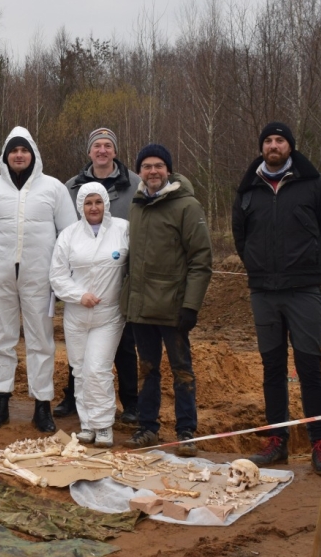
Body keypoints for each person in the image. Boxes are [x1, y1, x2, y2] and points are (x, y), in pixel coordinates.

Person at [232, 122, 321, 475]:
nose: (273, 145)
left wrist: (310, 269)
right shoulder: (248, 190)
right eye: (268, 140)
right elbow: (241, 237)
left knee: (310, 368)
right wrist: (257, 267)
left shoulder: (316, 186)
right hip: (264, 292)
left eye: (280, 140)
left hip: (304, 291)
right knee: (272, 368)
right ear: (261, 147)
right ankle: (277, 441)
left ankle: (319, 442)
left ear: (290, 147)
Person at [0, 127, 77, 432]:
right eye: (13, 150)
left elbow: (68, 235)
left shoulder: (53, 188)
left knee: (41, 340)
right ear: (5, 156)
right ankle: (1, 400)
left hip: (39, 278)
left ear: (33, 154)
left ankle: (42, 405)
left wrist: (62, 279)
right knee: (0, 339)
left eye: (24, 150)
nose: (19, 155)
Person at [121, 145, 212, 457]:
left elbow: (201, 259)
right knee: (146, 368)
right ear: (140, 172)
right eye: (146, 166)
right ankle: (147, 428)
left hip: (174, 308)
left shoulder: (187, 206)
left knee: (181, 369)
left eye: (158, 165)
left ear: (168, 170)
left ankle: (186, 431)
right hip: (141, 307)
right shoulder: (137, 205)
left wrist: (191, 305)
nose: (152, 172)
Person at [57, 127, 142, 425]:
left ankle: (130, 401)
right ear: (90, 152)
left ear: (115, 151)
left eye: (108, 145)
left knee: (124, 344)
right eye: (97, 146)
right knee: (80, 350)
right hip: (81, 274)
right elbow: (64, 229)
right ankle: (73, 397)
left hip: (119, 273)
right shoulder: (71, 187)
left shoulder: (134, 184)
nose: (102, 151)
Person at [50, 182, 129, 448]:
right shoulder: (69, 235)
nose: (93, 208)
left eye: (98, 202)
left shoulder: (122, 230)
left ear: (105, 204)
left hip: (109, 315)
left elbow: (134, 266)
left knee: (98, 368)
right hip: (76, 314)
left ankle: (104, 424)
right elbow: (57, 276)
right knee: (80, 370)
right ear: (80, 206)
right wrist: (78, 295)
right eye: (88, 203)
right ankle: (87, 424)